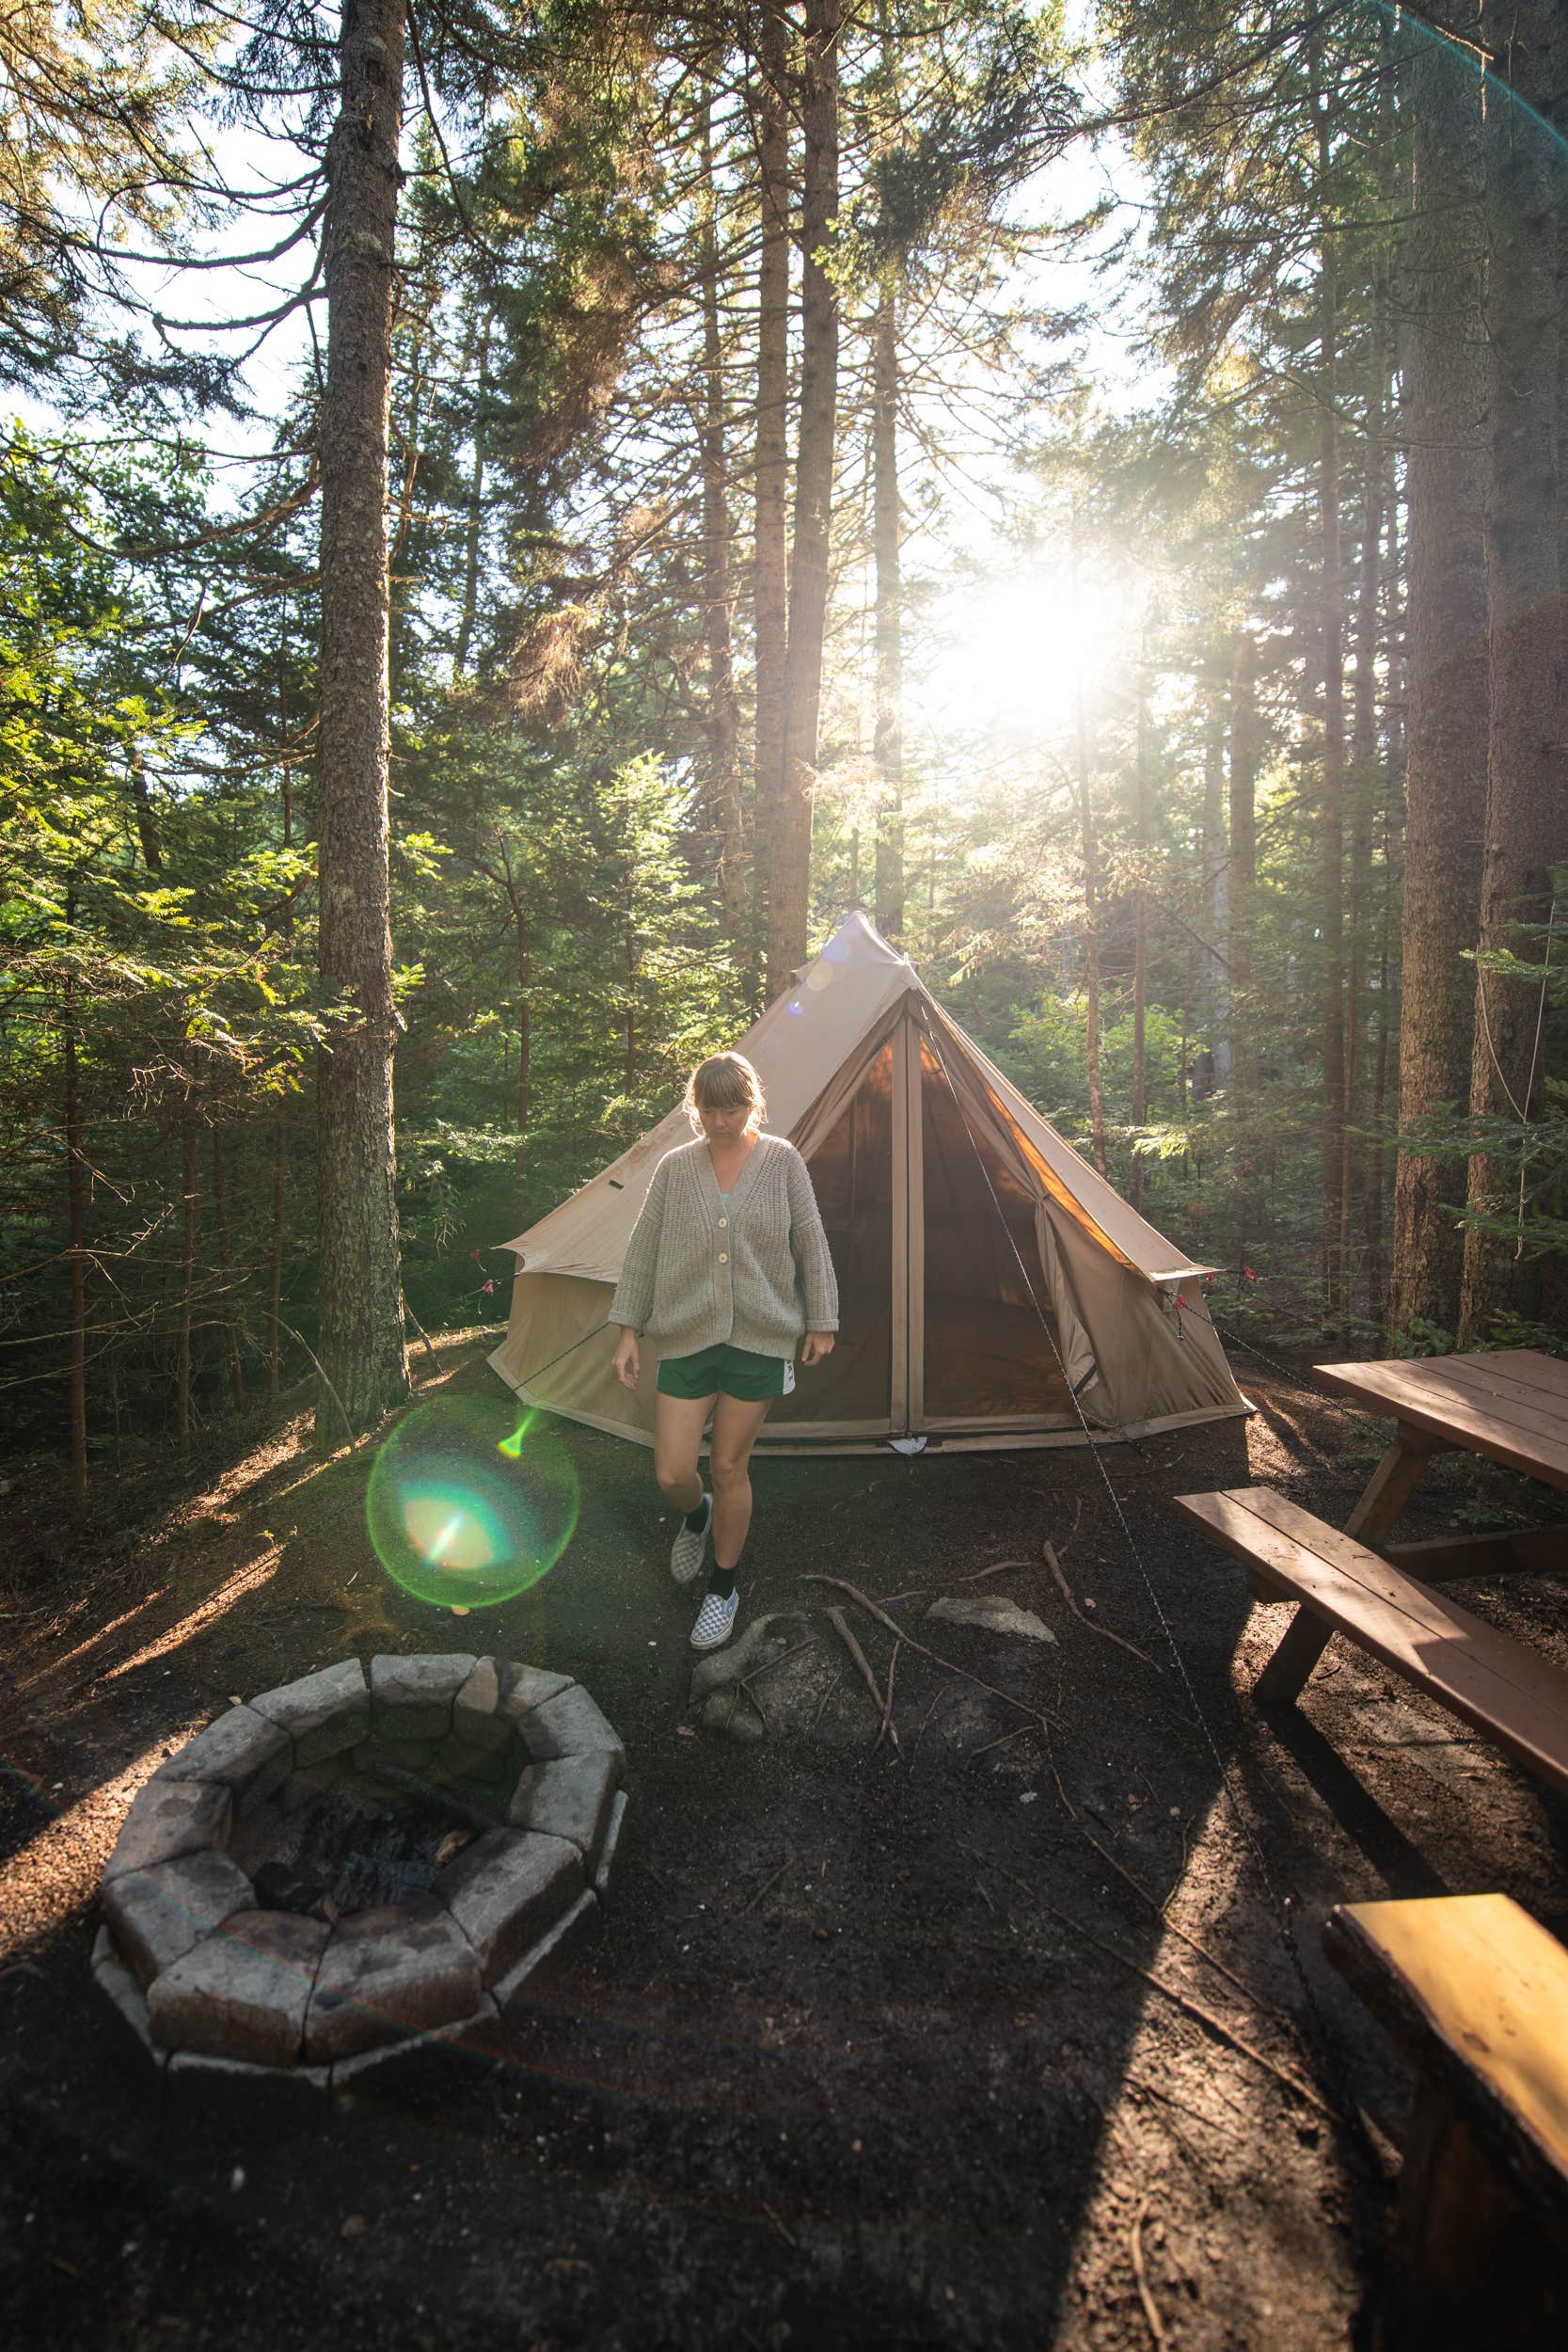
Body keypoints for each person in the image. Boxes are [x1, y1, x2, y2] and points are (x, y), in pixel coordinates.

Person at [610, 1051, 838, 1650]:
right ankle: (695, 1515)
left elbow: (810, 1239)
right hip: (687, 1335)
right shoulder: (675, 1168)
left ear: (752, 1102)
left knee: (731, 1465)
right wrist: (628, 1328)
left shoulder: (782, 1161)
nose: (720, 1121)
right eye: (709, 1109)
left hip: (760, 1337)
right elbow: (643, 1249)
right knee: (673, 1471)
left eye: (732, 1108)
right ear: (696, 1108)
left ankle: (724, 1586)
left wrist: (822, 1319)